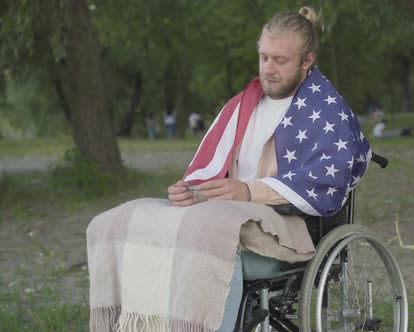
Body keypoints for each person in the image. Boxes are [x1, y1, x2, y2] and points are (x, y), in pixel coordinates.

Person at [87, 7, 371, 332]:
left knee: (208, 237)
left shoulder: (327, 112)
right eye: (264, 57)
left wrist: (249, 191)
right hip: (228, 216)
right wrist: (192, 190)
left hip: (288, 228)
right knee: (124, 221)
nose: (268, 69)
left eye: (280, 60)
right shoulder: (241, 106)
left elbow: (324, 180)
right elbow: (213, 170)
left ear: (307, 61)